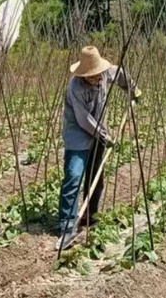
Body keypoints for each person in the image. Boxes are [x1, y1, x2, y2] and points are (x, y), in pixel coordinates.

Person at [55, 46, 141, 251]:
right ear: (83, 75)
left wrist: (133, 90)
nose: (96, 79)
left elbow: (120, 74)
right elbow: (84, 119)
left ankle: (89, 216)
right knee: (74, 176)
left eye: (98, 75)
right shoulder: (75, 88)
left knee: (96, 177)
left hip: (99, 131)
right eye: (91, 76)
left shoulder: (105, 73)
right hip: (78, 134)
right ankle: (67, 225)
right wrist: (104, 135)